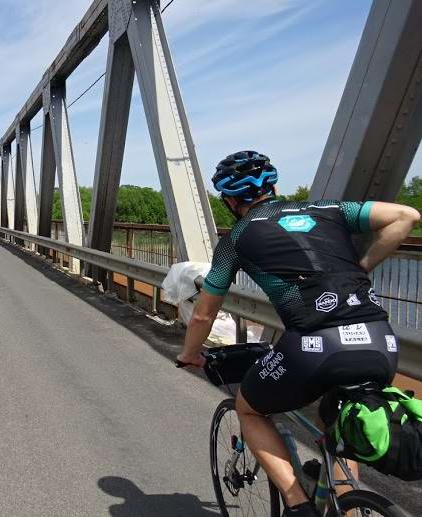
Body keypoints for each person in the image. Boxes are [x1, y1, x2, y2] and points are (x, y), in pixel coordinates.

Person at [175, 151, 419, 516]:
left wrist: (188, 354)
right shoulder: (328, 209)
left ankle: (297, 504)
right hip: (381, 340)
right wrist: (362, 268)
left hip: (315, 345)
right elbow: (407, 216)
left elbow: (203, 314)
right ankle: (346, 506)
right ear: (273, 185)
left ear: (229, 200)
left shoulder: (236, 240)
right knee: (340, 414)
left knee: (251, 410)